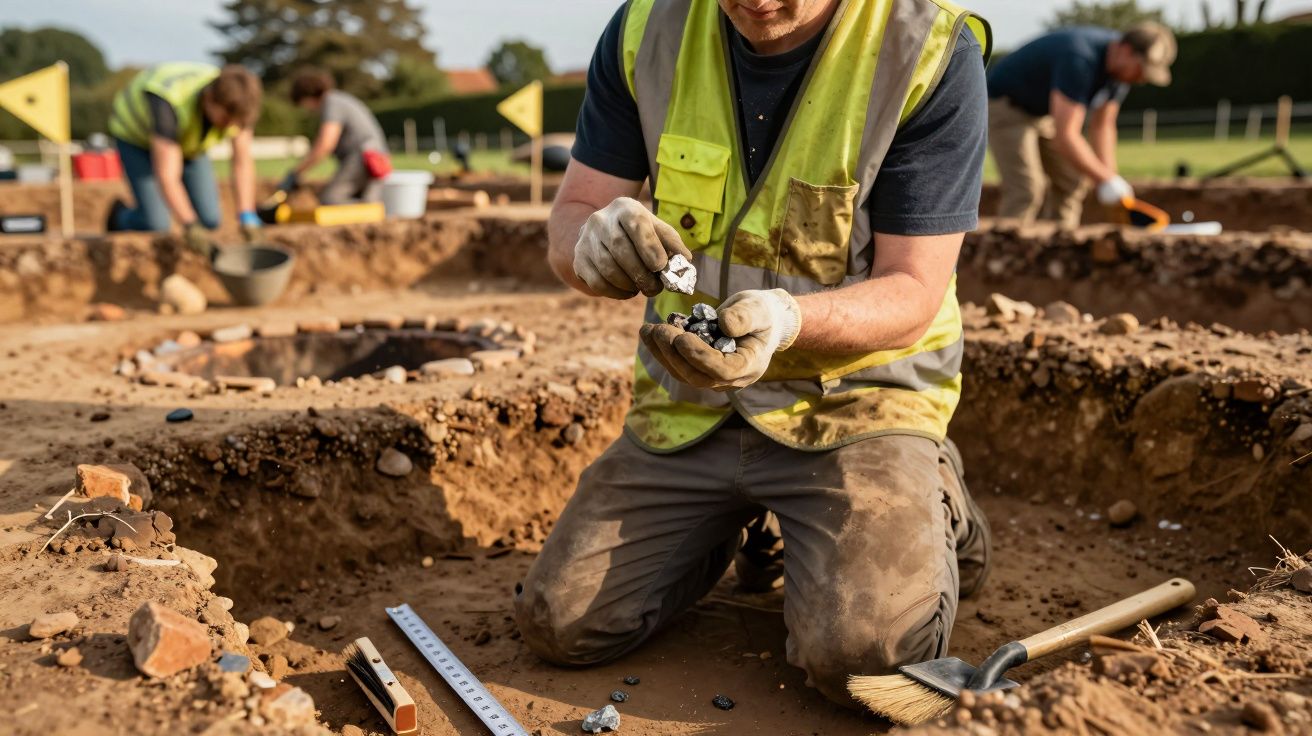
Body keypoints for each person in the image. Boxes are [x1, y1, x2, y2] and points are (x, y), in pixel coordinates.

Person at [514, 0, 994, 707]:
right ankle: (744, 523)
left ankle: (937, 496)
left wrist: (786, 320)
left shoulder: (924, 48)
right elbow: (573, 215)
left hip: (854, 408)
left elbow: (914, 288)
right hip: (691, 409)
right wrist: (589, 241)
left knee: (863, 662)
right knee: (560, 623)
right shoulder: (648, 31)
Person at [986, 22, 1176, 227]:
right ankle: (1007, 252)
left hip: (1043, 112)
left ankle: (1059, 248)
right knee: (1026, 188)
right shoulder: (1080, 58)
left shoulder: (1119, 73)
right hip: (1004, 106)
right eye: (1141, 68)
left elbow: (1103, 126)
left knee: (1072, 180)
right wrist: (1104, 179)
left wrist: (1111, 176)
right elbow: (1066, 136)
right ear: (1126, 50)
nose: (1141, 78)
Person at [106, 63, 264, 251]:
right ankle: (120, 216)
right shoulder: (170, 102)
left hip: (189, 144)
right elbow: (167, 176)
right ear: (209, 99)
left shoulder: (240, 104)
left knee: (209, 220)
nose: (229, 126)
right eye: (225, 120)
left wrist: (247, 215)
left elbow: (242, 161)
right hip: (136, 140)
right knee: (156, 223)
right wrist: (189, 225)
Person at [283, 69, 390, 204]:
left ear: (307, 96)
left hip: (365, 158)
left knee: (330, 200)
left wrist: (296, 172)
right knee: (366, 200)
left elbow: (325, 144)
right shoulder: (338, 99)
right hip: (373, 157)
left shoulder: (331, 103)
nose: (307, 110)